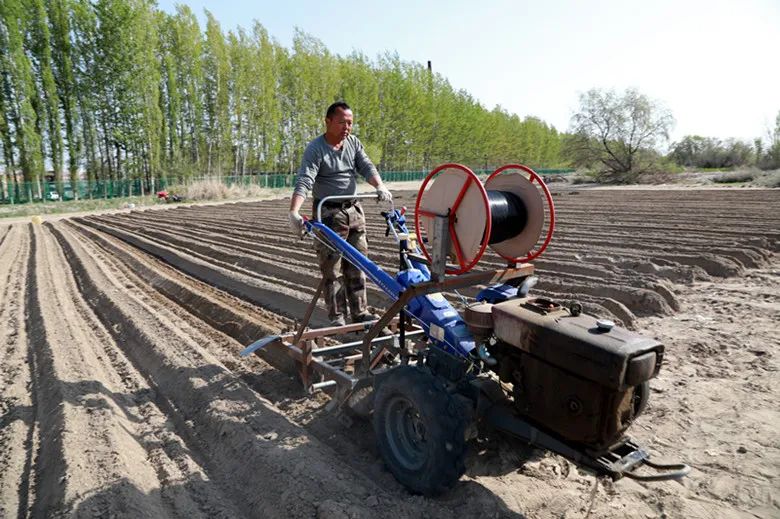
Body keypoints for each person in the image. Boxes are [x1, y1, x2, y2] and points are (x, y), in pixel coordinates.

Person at [288, 101, 392, 327]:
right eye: (342, 122)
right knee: (332, 268)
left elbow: (366, 166)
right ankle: (337, 317)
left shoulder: (353, 143)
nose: (347, 127)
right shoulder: (316, 149)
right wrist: (294, 212)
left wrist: (379, 186)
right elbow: (306, 179)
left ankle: (360, 312)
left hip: (354, 210)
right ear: (328, 122)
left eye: (350, 123)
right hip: (329, 214)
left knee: (358, 263)